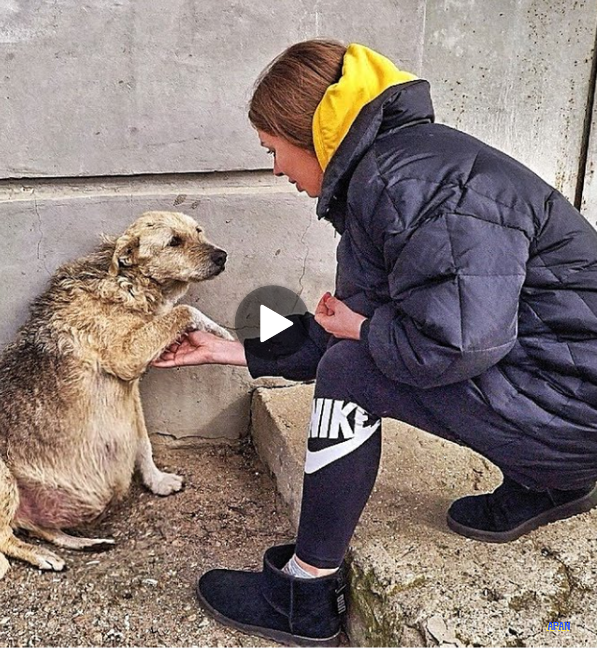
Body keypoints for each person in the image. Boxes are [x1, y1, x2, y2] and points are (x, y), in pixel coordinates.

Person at [152, 39, 597, 645]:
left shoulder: (408, 183)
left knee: (351, 373)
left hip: (578, 411)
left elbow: (455, 344)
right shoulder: (390, 174)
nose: (277, 169)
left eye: (274, 150)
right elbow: (351, 319)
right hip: (570, 392)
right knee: (353, 355)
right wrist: (236, 351)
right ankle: (552, 482)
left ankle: (304, 591)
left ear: (313, 133)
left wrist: (360, 331)